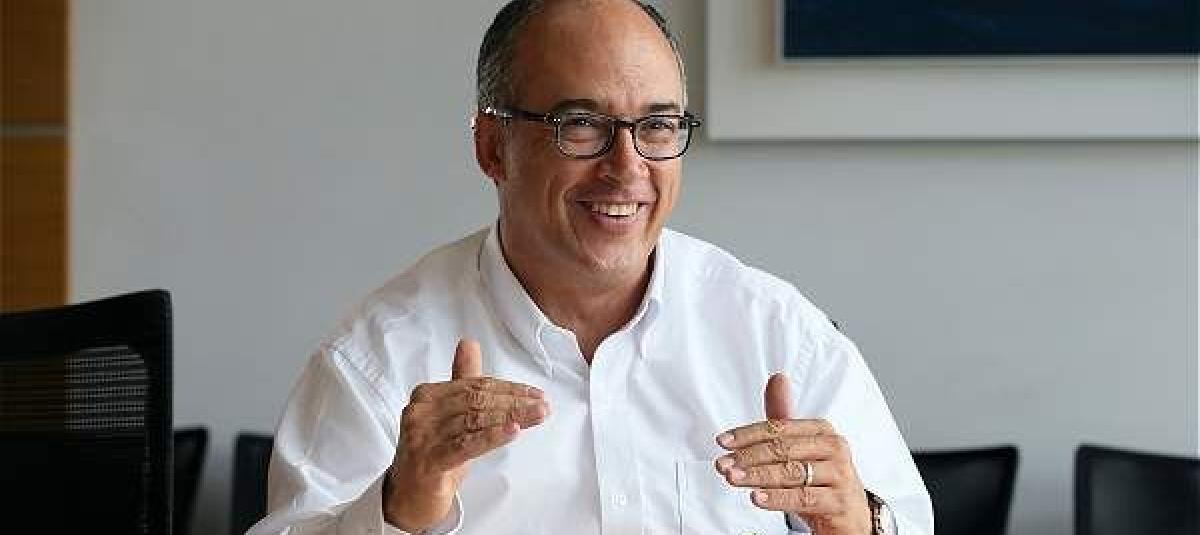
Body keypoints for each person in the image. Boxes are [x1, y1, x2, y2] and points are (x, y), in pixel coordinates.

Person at [249, 1, 933, 533]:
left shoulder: (780, 334)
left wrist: (857, 522)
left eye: (657, 125)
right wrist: (399, 508)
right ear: (493, 146)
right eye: (580, 124)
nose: (627, 167)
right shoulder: (376, 357)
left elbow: (906, 520)